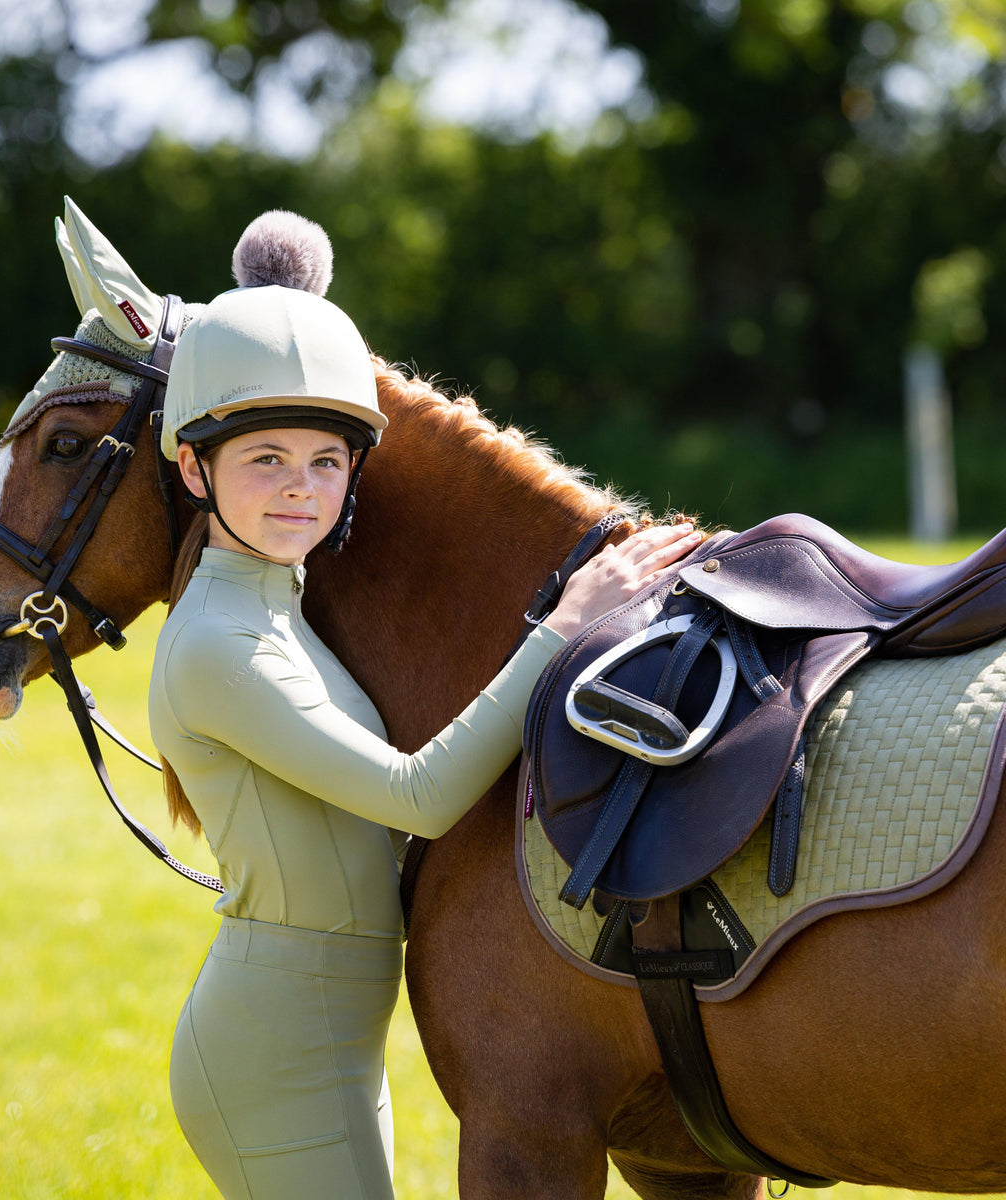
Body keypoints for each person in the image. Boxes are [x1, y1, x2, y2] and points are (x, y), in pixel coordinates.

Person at [148, 211, 703, 1200]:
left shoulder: (280, 609)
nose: (301, 491)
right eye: (264, 459)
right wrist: (563, 626)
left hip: (328, 1032)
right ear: (193, 469)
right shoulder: (221, 646)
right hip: (275, 1051)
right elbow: (416, 796)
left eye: (327, 462)